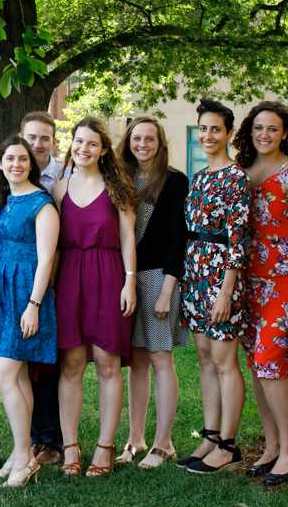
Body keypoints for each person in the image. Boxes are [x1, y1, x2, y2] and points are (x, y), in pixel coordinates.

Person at [52, 117, 137, 478]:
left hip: (108, 275)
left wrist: (129, 282)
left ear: (103, 150)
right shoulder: (59, 189)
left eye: (91, 143)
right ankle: (70, 446)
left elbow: (129, 236)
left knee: (107, 362)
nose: (83, 149)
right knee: (71, 364)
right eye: (78, 141)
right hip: (70, 276)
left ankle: (105, 447)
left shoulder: (118, 187)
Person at [236, 102, 288, 486]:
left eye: (272, 128)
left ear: (285, 132)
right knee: (257, 366)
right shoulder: (245, 173)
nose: (264, 135)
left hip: (287, 280)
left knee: (271, 363)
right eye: (258, 128)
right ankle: (271, 446)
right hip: (250, 280)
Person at [178, 99, 252, 475]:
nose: (208, 136)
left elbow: (238, 239)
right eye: (202, 129)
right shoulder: (201, 176)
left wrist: (226, 291)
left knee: (225, 362)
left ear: (228, 134)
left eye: (215, 130)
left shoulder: (235, 177)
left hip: (222, 276)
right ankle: (209, 436)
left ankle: (228, 445)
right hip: (196, 273)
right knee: (205, 358)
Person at [0, 136, 59, 488]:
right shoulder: (6, 199)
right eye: (10, 159)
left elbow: (47, 258)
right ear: (0, 163)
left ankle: (24, 458)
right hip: (2, 290)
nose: (16, 164)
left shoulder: (41, 203)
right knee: (18, 376)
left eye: (22, 159)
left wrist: (33, 305)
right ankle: (21, 453)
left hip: (27, 293)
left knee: (4, 375)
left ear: (31, 163)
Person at [122, 113, 188, 470]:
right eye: (136, 138)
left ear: (160, 144)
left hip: (160, 278)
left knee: (161, 357)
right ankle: (135, 438)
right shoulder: (122, 178)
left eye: (149, 139)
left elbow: (180, 239)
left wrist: (167, 290)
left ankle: (164, 442)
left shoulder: (175, 182)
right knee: (136, 361)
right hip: (128, 280)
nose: (142, 144)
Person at [17, 111, 66, 460]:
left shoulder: (64, 174)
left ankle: (51, 438)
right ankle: (30, 434)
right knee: (23, 360)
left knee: (50, 359)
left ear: (53, 141)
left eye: (44, 138)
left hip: (57, 274)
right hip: (19, 277)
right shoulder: (10, 171)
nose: (37, 144)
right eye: (31, 137)